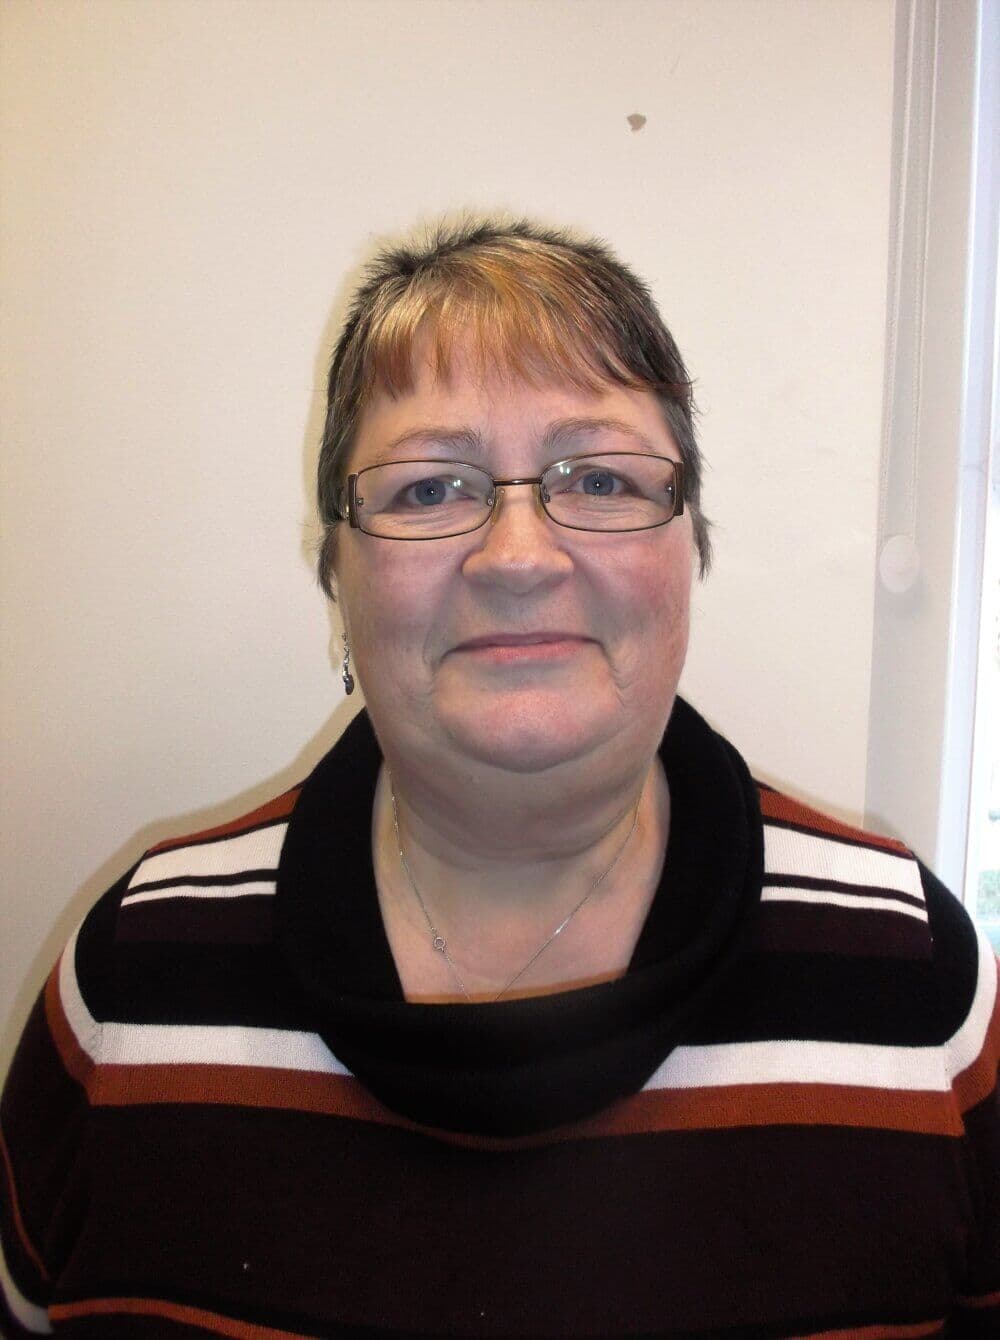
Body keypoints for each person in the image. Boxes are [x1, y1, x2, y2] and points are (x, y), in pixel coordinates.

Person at [1, 218, 997, 1340]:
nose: (517, 555)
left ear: (692, 548)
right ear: (339, 568)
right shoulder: (133, 980)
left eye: (601, 476)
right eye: (431, 490)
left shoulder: (915, 985)